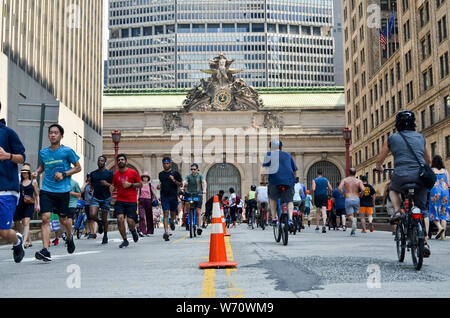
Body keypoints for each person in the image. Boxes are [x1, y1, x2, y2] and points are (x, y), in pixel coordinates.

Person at [376, 110, 432, 257]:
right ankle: (425, 242)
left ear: (397, 124)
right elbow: (429, 160)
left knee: (393, 189)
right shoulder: (421, 137)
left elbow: (380, 159)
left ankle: (397, 210)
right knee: (423, 210)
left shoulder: (392, 139)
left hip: (400, 176)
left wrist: (379, 168)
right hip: (419, 177)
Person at [32, 124, 81, 261]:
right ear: (48, 135)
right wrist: (37, 171)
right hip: (47, 189)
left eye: (56, 133)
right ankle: (45, 250)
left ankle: (70, 237)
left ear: (61, 136)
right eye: (50, 133)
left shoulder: (67, 151)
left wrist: (64, 174)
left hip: (63, 191)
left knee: (63, 220)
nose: (53, 135)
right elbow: (44, 165)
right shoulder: (43, 152)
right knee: (45, 218)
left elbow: (78, 167)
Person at [0, 108, 26, 263]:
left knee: (3, 231)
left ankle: (17, 241)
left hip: (6, 189)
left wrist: (7, 156)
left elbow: (22, 157)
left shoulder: (8, 133)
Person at [262, 140, 298, 229]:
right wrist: (293, 180)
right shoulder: (288, 155)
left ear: (271, 148)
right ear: (281, 147)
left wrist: (264, 180)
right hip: (288, 181)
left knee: (272, 198)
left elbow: (264, 170)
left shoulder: (269, 154)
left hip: (275, 180)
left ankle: (274, 218)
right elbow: (295, 170)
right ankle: (290, 219)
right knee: (289, 200)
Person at [110, 154, 142, 248]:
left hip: (131, 200)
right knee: (120, 219)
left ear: (126, 162)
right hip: (120, 200)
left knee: (130, 221)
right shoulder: (115, 174)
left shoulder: (133, 172)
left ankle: (133, 230)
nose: (120, 161)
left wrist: (130, 185)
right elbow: (114, 185)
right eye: (119, 160)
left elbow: (140, 185)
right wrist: (111, 187)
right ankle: (125, 240)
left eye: (122, 159)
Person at [13, 163, 40, 248]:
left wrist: (38, 204)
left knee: (26, 222)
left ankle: (23, 242)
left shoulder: (33, 182)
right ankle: (28, 240)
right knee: (19, 222)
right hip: (20, 203)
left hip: (29, 204)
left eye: (25, 172)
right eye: (23, 172)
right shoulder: (19, 181)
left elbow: (37, 194)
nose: (24, 174)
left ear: (28, 173)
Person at [89, 155, 113, 244]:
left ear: (105, 162)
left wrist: (106, 184)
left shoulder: (109, 173)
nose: (100, 162)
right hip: (95, 197)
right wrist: (91, 190)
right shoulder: (93, 174)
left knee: (104, 218)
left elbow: (113, 186)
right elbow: (92, 184)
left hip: (106, 198)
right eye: (99, 160)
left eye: (102, 161)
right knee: (92, 215)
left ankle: (105, 235)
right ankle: (99, 223)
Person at [158, 157, 183, 241]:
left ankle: (172, 221)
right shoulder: (161, 174)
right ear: (162, 164)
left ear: (170, 164)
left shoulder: (175, 173)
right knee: (165, 213)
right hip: (164, 196)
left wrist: (174, 180)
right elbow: (162, 183)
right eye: (164, 164)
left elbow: (181, 184)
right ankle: (166, 232)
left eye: (167, 163)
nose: (166, 165)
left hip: (173, 196)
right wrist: (159, 186)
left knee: (173, 214)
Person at [339, 168, 365, 237]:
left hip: (348, 198)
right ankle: (353, 230)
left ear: (348, 172)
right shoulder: (358, 181)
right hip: (356, 198)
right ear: (355, 173)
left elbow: (339, 188)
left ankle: (353, 221)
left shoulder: (345, 180)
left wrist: (343, 194)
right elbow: (363, 189)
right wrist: (361, 195)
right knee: (356, 214)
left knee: (350, 215)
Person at [429, 155, 449, 240]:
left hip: (435, 191)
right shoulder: (445, 171)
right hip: (445, 192)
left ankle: (439, 227)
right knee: (443, 213)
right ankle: (443, 235)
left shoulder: (432, 170)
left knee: (433, 211)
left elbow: (429, 182)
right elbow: (449, 184)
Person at [183, 163, 207, 234]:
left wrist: (204, 189)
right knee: (187, 202)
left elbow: (204, 182)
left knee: (198, 212)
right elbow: (185, 181)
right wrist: (182, 186)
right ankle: (188, 212)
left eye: (194, 169)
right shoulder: (188, 176)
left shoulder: (200, 176)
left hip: (198, 194)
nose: (193, 171)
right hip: (190, 194)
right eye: (191, 169)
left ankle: (199, 227)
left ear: (197, 169)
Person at [138, 171, 158, 237]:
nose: (145, 178)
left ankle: (149, 231)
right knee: (141, 216)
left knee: (149, 216)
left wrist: (158, 200)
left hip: (148, 201)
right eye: (144, 177)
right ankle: (142, 231)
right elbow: (138, 193)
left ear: (148, 178)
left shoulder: (150, 185)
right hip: (141, 200)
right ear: (142, 177)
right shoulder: (140, 184)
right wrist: (136, 201)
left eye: (146, 177)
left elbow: (154, 193)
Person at [81, 174, 94, 238]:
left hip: (93, 203)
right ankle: (89, 232)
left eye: (90, 177)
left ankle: (92, 232)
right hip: (86, 203)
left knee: (91, 218)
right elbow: (81, 191)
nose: (89, 178)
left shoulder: (94, 184)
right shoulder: (86, 185)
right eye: (88, 177)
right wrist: (85, 184)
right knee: (88, 218)